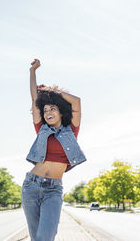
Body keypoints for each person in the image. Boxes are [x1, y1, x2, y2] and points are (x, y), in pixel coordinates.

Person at [21, 58, 86, 241]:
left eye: (53, 109)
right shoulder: (40, 128)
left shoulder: (71, 130)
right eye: (46, 110)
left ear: (61, 112)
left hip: (53, 190)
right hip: (31, 186)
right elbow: (34, 99)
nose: (48, 112)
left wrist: (50, 93)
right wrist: (32, 72)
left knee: (45, 237)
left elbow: (77, 102)